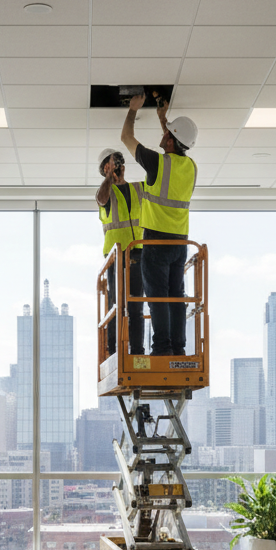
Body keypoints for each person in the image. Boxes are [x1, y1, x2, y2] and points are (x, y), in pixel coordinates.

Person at [120, 91, 198, 356]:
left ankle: (162, 349)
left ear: (171, 141)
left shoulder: (156, 163)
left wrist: (133, 110)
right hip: (180, 243)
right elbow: (175, 145)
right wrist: (163, 118)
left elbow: (126, 139)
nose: (163, 136)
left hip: (155, 241)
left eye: (166, 134)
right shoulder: (191, 167)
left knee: (157, 298)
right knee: (176, 298)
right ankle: (178, 348)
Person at [95, 147, 145, 356]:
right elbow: (101, 199)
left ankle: (137, 352)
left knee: (136, 307)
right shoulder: (106, 192)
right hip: (116, 259)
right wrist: (108, 178)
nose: (113, 169)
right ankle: (115, 352)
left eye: (115, 165)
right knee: (116, 307)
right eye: (108, 166)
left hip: (138, 254)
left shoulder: (138, 189)